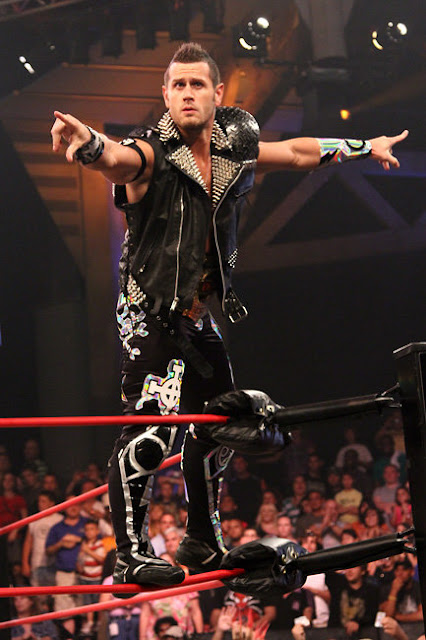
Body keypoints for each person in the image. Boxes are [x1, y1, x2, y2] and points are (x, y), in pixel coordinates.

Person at [50, 41, 408, 589]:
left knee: (219, 425)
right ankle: (131, 553)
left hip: (198, 317)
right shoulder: (152, 152)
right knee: (152, 431)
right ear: (164, 94)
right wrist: (90, 145)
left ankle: (201, 537)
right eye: (178, 85)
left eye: (197, 84)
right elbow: (118, 161)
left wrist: (365, 146)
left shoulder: (233, 148)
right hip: (149, 312)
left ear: (217, 93)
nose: (187, 93)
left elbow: (297, 152)